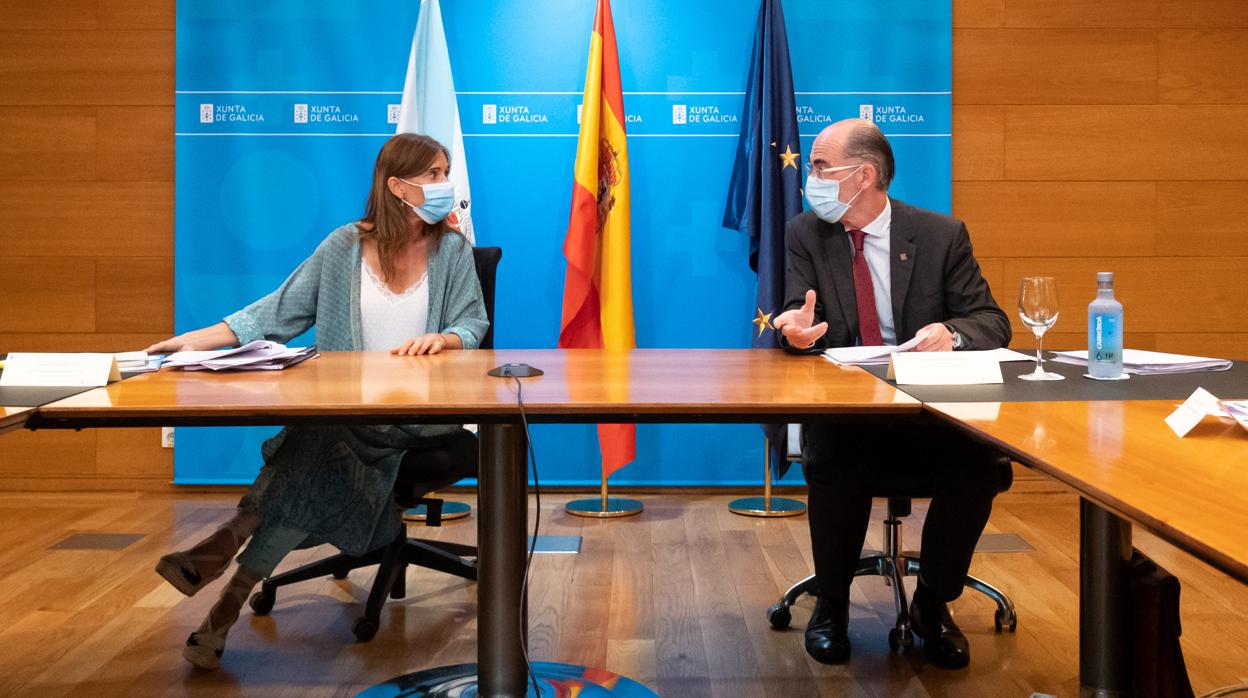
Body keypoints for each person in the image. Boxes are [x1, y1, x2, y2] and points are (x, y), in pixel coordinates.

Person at [147, 133, 489, 670]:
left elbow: (473, 322)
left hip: (419, 420)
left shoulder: (453, 251)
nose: (446, 186)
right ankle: (224, 606)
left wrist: (445, 339)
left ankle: (227, 546)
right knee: (323, 446)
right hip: (345, 416)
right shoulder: (342, 247)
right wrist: (188, 341)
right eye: (434, 175)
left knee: (315, 442)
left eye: (445, 173)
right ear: (397, 186)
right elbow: (273, 314)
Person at [771, 119, 1010, 670]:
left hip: (926, 415)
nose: (812, 177)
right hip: (848, 415)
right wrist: (796, 332)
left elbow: (992, 322)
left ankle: (933, 602)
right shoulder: (806, 233)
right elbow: (797, 316)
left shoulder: (940, 234)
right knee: (835, 456)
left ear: (865, 175)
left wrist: (953, 334)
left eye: (821, 167)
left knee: (978, 462)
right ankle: (831, 604)